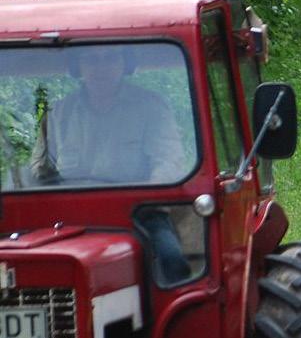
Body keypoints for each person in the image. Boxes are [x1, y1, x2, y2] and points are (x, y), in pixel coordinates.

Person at [31, 44, 191, 283]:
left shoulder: (151, 106)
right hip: (68, 217)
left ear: (124, 63)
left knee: (172, 261)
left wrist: (146, 194)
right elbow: (37, 168)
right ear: (79, 66)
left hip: (137, 213)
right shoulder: (59, 113)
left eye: (110, 58)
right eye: (91, 59)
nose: (101, 67)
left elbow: (169, 162)